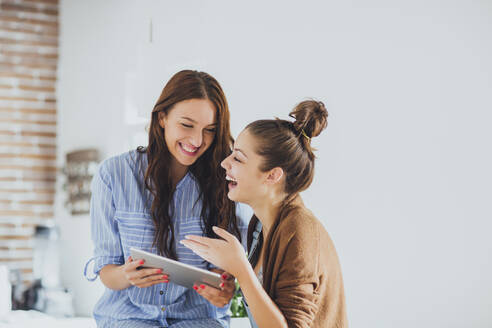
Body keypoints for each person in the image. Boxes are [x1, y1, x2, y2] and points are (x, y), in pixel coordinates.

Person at [84, 70, 251, 328]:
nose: (197, 140)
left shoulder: (225, 181)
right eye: (186, 125)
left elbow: (233, 272)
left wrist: (225, 289)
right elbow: (107, 272)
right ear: (162, 118)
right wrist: (126, 275)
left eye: (210, 130)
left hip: (198, 319)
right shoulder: (114, 174)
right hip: (129, 317)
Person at [181, 100, 348, 328]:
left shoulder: (300, 232)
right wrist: (233, 280)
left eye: (238, 158)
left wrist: (241, 269)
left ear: (272, 176)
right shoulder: (259, 224)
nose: (224, 163)